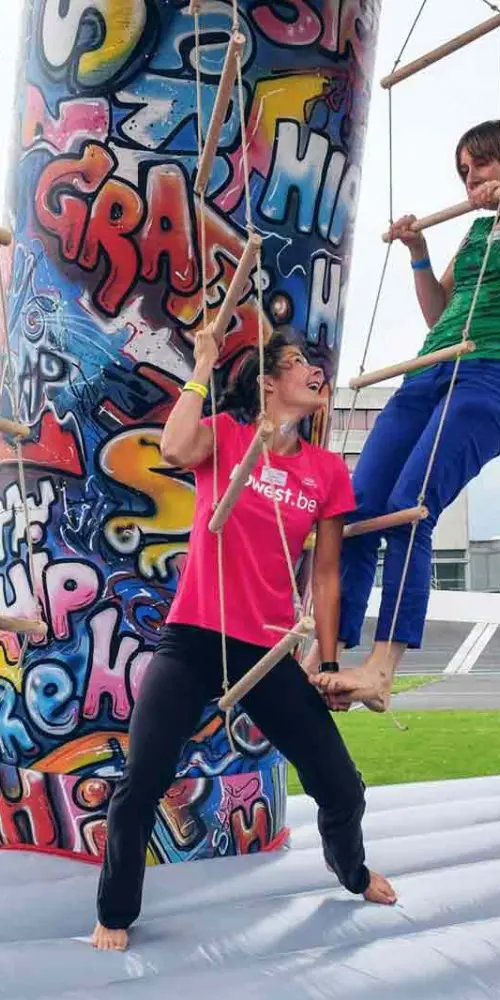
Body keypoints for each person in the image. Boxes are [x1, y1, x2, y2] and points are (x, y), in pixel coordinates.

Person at [91, 328, 397, 951]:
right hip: (194, 635)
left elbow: (326, 575)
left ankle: (352, 869)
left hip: (269, 649)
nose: (314, 370)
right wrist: (202, 366)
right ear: (267, 384)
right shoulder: (229, 436)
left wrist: (329, 660)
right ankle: (115, 911)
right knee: (142, 780)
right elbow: (174, 446)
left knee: (342, 786)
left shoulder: (324, 471)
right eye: (297, 362)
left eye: (314, 362)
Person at [305, 119, 500, 712]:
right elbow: (439, 312)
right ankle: (329, 655)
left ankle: (382, 670)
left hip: (488, 374)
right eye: (464, 172)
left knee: (410, 508)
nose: (471, 180)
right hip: (430, 368)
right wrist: (419, 252)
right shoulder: (477, 232)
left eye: (482, 165)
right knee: (359, 507)